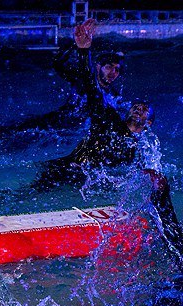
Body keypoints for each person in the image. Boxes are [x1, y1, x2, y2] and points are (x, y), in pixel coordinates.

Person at [31, 17, 183, 270]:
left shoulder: (140, 148)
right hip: (66, 169)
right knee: (29, 195)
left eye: (145, 109)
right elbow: (91, 89)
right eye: (137, 106)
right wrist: (83, 52)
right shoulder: (108, 120)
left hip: (83, 179)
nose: (139, 108)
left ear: (149, 123)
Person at [0, 18, 124, 149]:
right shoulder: (81, 81)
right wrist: (76, 45)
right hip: (53, 124)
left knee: (12, 145)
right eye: (109, 67)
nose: (113, 73)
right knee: (3, 134)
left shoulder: (114, 96)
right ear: (98, 66)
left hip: (66, 133)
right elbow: (58, 64)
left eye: (117, 69)